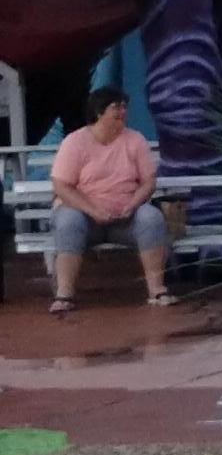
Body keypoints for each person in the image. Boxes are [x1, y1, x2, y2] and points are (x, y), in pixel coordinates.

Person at [47, 91, 172, 316]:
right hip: (85, 217)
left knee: (151, 217)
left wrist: (132, 205)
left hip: (125, 218)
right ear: (99, 111)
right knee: (67, 220)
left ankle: (157, 290)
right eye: (117, 107)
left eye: (124, 107)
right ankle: (64, 294)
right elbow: (61, 186)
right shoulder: (75, 142)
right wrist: (92, 210)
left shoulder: (135, 140)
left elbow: (148, 182)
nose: (122, 112)